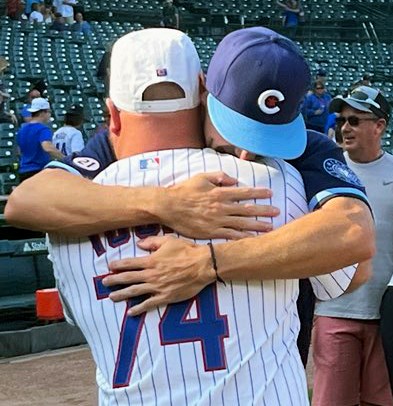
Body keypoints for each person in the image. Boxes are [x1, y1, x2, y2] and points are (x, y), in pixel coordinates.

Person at [47, 28, 367, 405]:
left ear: (113, 114)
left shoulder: (72, 210)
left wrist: (209, 262)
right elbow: (354, 271)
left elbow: (353, 236)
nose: (246, 155)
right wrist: (165, 205)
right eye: (236, 131)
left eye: (265, 139)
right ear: (203, 91)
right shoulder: (283, 182)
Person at [312, 85, 393, 406]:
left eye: (356, 120)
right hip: (335, 311)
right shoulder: (323, 170)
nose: (345, 127)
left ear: (380, 125)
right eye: (343, 120)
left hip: (385, 316)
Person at [17, 97, 64, 182]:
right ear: (43, 112)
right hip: (38, 172)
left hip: (23, 171)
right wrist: (64, 158)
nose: (50, 114)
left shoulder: (22, 129)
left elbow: (19, 151)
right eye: (49, 112)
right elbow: (47, 147)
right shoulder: (43, 129)